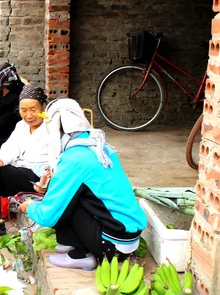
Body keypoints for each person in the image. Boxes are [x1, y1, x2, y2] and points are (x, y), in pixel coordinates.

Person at [17, 99, 147, 270]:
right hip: (128, 235)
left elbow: (47, 216)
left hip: (112, 244)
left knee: (64, 200)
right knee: (72, 193)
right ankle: (75, 243)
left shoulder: (74, 159)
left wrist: (30, 207)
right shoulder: (98, 146)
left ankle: (81, 255)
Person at [0, 85, 50, 236]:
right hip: (20, 170)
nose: (28, 115)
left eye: (33, 109)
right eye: (24, 110)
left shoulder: (51, 128)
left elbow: (56, 160)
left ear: (43, 108)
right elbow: (10, 148)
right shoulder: (22, 126)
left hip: (37, 179)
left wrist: (43, 183)